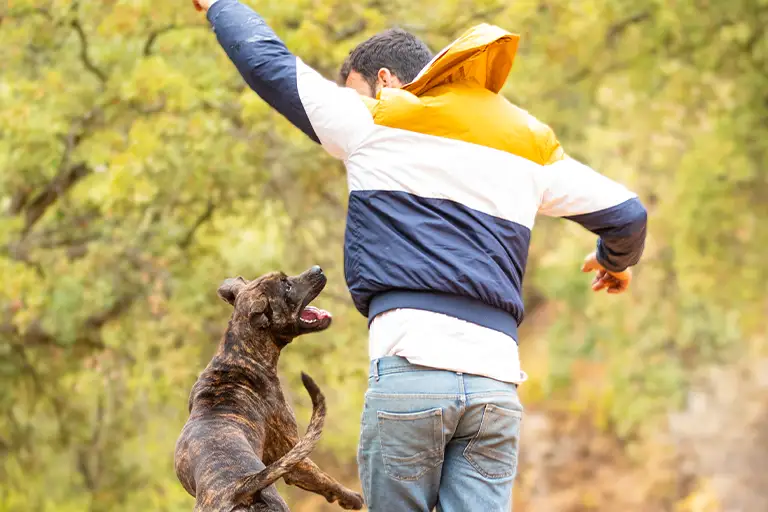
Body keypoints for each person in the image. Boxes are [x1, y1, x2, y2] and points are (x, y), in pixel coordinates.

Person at [193, 1, 648, 510]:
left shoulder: (380, 118)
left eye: (354, 93)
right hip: (495, 385)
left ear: (383, 81)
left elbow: (268, 63)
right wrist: (614, 261)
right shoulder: (528, 142)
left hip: (411, 369)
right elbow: (628, 215)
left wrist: (218, 6)